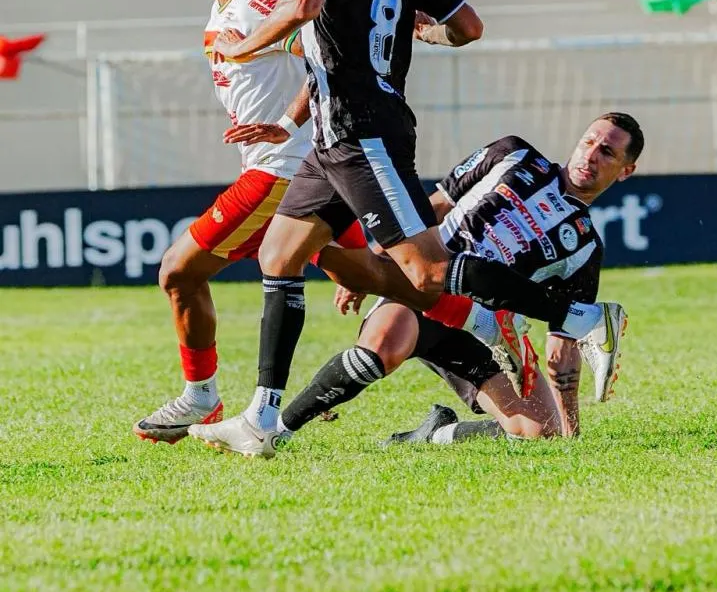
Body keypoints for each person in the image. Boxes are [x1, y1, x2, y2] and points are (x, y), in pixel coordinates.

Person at [187, 0, 629, 459]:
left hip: (363, 132)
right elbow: (468, 27)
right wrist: (416, 38)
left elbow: (303, 3)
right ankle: (261, 419)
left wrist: (241, 44)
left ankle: (580, 317)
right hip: (334, 137)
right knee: (280, 254)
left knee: (421, 271)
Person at [132, 0, 430, 445]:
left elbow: (321, 52)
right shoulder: (228, 4)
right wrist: (289, 122)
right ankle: (476, 311)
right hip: (303, 162)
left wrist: (287, 129)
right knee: (364, 274)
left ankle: (202, 396)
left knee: (177, 271)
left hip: (281, 172)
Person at [238, 114, 643, 455]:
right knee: (385, 345)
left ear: (626, 171)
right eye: (588, 141)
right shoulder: (513, 153)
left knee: (542, 432)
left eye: (606, 152)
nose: (590, 155)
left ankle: (435, 433)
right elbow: (434, 206)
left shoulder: (586, 248)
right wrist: (378, 266)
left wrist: (571, 429)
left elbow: (563, 344)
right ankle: (277, 431)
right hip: (420, 285)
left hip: (482, 331)